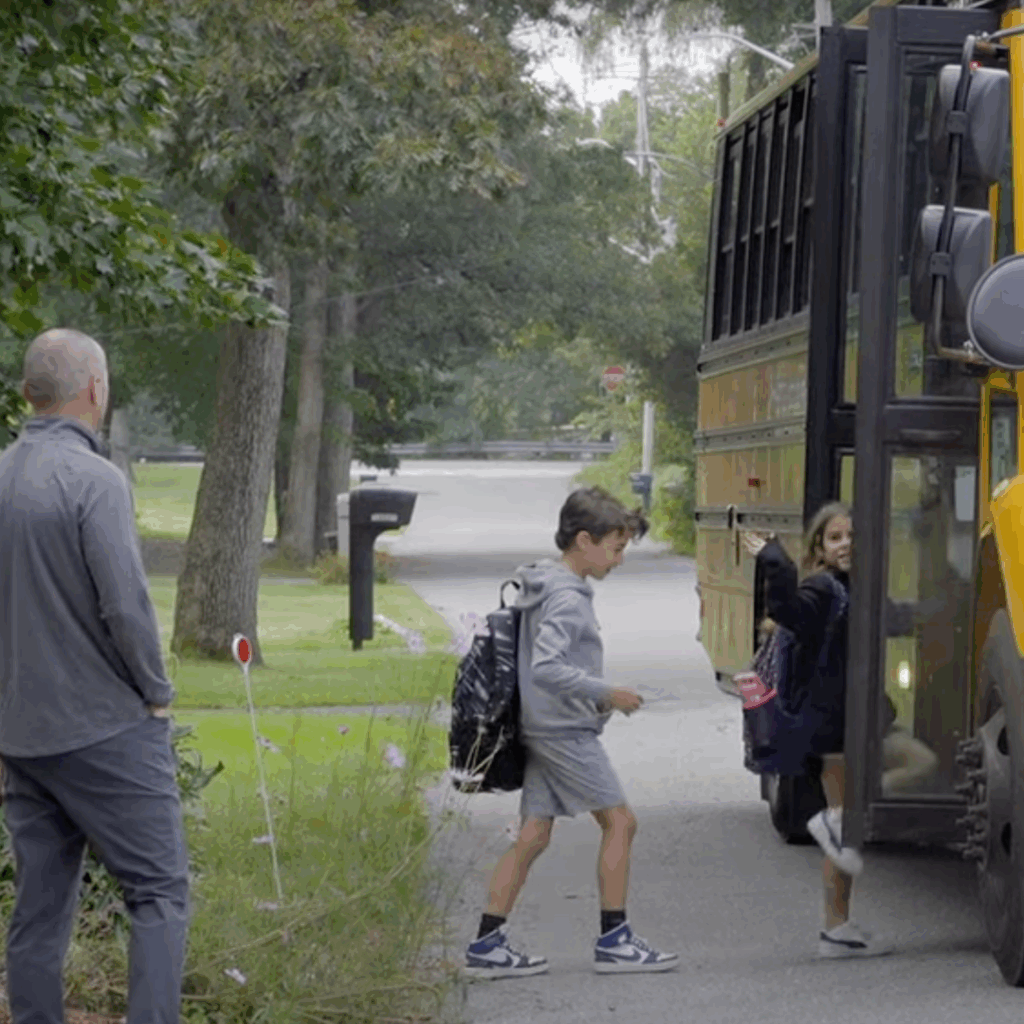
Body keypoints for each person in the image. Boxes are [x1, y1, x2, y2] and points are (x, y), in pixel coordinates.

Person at [0, 328, 189, 1024]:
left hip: (21, 735)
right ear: (96, 391)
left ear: (28, 393)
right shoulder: (95, 482)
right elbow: (127, 608)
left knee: (40, 907)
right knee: (159, 892)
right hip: (105, 727)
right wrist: (157, 694)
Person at [464, 487, 677, 978]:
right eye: (616, 548)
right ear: (585, 540)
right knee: (621, 822)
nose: (619, 560)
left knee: (534, 835)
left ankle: (486, 945)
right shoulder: (567, 598)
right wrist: (607, 693)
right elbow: (547, 667)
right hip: (563, 733)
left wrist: (603, 696)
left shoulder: (545, 583)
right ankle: (616, 940)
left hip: (541, 727)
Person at [743, 504, 890, 959]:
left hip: (844, 723)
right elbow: (787, 608)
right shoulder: (822, 588)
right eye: (835, 538)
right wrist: (774, 557)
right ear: (820, 549)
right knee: (907, 770)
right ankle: (835, 926)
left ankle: (836, 928)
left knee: (844, 834)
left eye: (852, 536)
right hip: (830, 730)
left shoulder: (854, 588)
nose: (845, 544)